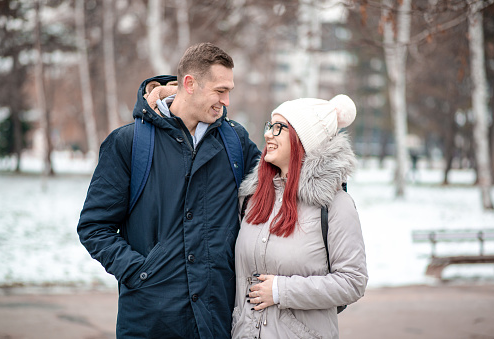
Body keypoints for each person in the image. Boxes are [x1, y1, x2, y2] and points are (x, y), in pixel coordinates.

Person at [77, 42, 260, 338]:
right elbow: (94, 227)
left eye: (229, 91)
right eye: (219, 90)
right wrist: (140, 272)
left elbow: (281, 183)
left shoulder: (235, 141)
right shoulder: (129, 143)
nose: (226, 100)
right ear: (189, 84)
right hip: (150, 321)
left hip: (217, 319)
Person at [232, 95, 368, 339]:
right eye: (269, 126)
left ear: (302, 139)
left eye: (279, 128)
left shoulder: (334, 205)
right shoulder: (252, 200)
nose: (268, 135)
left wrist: (281, 290)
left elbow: (352, 281)